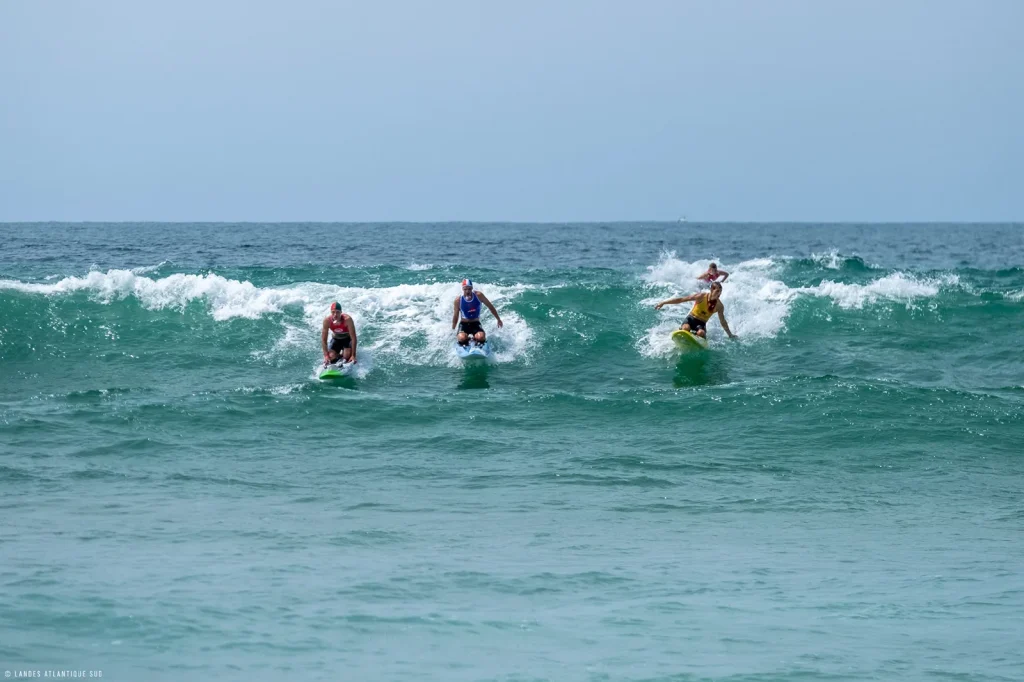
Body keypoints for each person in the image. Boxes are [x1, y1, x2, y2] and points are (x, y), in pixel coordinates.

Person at [654, 281, 737, 339]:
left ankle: (699, 337)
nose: (719, 294)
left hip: (701, 323)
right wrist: (663, 302)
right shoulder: (701, 297)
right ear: (711, 290)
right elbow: (681, 299)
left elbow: (723, 321)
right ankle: (683, 330)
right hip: (691, 318)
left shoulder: (719, 306)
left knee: (701, 333)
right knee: (686, 328)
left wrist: (730, 334)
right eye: (717, 291)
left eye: (720, 292)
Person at [452, 279, 502, 346]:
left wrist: (498, 319)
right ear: (462, 289)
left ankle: (476, 340)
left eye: (469, 289)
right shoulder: (458, 300)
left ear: (472, 288)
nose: (467, 291)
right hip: (464, 324)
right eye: (465, 289)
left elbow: (490, 307)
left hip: (475, 323)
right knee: (462, 338)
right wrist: (453, 329)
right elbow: (455, 316)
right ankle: (468, 339)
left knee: (480, 337)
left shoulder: (479, 295)